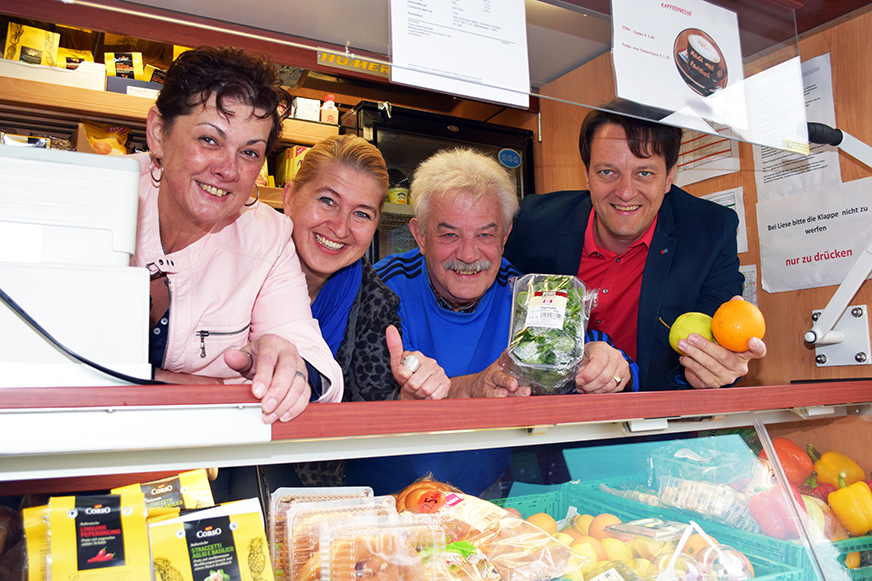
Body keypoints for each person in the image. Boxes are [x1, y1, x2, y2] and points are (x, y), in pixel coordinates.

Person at [344, 148, 636, 496]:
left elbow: (615, 367)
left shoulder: (530, 297)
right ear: (420, 235)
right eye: (449, 235)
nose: (468, 255)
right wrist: (469, 389)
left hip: (486, 503)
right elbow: (351, 405)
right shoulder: (380, 290)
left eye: (485, 235)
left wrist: (611, 366)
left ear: (506, 235)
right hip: (378, 504)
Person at [133, 46, 342, 425]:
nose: (228, 169)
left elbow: (320, 371)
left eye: (249, 152)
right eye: (209, 140)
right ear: (158, 133)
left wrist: (288, 365)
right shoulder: (92, 194)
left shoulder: (269, 235)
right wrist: (209, 387)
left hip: (205, 456)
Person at [504, 100, 767, 390]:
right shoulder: (534, 222)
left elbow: (716, 351)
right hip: (545, 422)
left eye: (644, 173)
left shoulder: (709, 233)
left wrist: (713, 370)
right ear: (587, 175)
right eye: (607, 172)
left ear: (669, 177)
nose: (626, 192)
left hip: (651, 422)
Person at [283, 135, 451, 404]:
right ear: (289, 197)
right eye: (327, 200)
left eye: (362, 214)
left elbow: (373, 410)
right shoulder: (239, 270)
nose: (340, 228)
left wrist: (405, 401)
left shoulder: (376, 303)